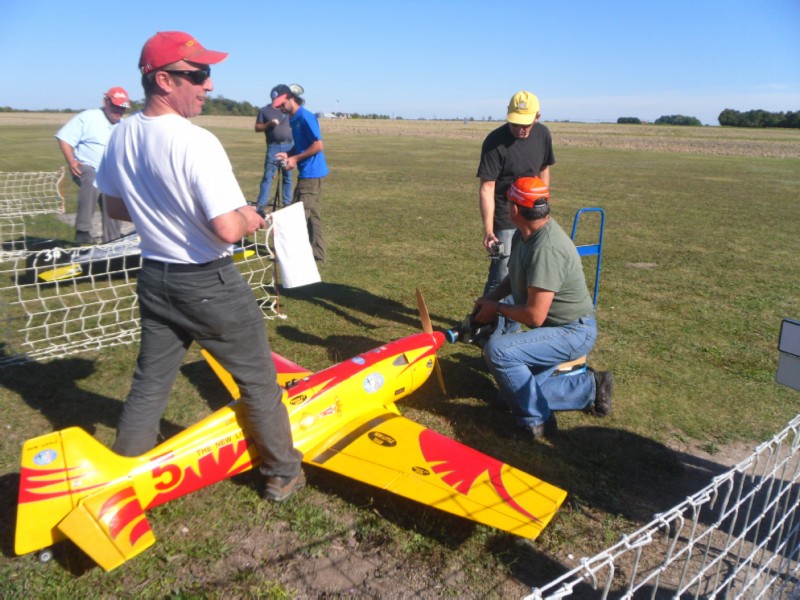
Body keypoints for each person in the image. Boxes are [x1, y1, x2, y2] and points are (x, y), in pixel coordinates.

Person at [95, 30, 305, 501]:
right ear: (164, 80)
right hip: (207, 280)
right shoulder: (198, 142)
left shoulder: (122, 132)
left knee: (150, 383)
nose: (208, 85)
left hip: (154, 277)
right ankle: (282, 472)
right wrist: (254, 215)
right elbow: (228, 228)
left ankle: (117, 479)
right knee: (258, 381)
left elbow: (115, 208)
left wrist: (165, 209)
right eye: (199, 75)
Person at [472, 176, 613, 440]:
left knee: (498, 352)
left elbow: (534, 317)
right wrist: (491, 299)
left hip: (572, 331)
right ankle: (591, 388)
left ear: (514, 210)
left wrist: (497, 309)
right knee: (509, 395)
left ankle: (537, 422)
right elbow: (514, 277)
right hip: (557, 328)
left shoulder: (547, 248)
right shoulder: (525, 234)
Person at [477, 91, 556, 296]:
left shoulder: (543, 135)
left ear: (537, 117)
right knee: (502, 274)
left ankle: (511, 326)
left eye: (525, 124)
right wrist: (488, 231)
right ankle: (486, 325)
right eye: (515, 123)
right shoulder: (494, 141)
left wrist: (544, 207)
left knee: (528, 273)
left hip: (534, 216)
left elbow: (544, 169)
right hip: (506, 215)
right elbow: (487, 188)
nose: (520, 129)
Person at [56, 87, 130, 244]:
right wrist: (71, 161)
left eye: (122, 107)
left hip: (109, 173)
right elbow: (64, 138)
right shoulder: (88, 117)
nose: (118, 110)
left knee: (114, 194)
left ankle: (113, 241)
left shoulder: (123, 126)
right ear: (106, 102)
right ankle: (82, 231)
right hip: (86, 166)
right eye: (115, 105)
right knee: (92, 178)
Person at [272, 84, 329, 262]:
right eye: (277, 105)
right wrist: (289, 154)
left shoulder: (305, 117)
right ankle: (318, 253)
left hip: (312, 174)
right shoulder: (293, 118)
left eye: (282, 103)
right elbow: (302, 145)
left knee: (297, 216)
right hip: (308, 173)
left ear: (291, 98)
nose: (280, 107)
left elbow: (318, 145)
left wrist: (295, 159)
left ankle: (289, 254)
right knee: (313, 216)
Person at [254, 86, 295, 215]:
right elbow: (257, 127)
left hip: (289, 146)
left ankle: (287, 203)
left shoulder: (288, 110)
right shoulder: (264, 111)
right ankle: (261, 205)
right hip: (273, 146)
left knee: (288, 177)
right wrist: (269, 124)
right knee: (268, 177)